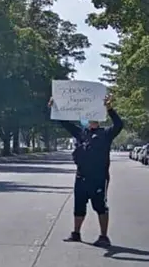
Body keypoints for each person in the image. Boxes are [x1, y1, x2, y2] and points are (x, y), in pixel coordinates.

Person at [48, 94, 123, 247]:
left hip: (99, 177)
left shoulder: (106, 134)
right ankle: (76, 233)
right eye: (89, 117)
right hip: (81, 176)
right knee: (79, 206)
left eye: (94, 116)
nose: (91, 119)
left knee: (100, 206)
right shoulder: (81, 133)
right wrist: (54, 107)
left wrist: (110, 109)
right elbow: (65, 123)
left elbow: (119, 125)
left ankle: (103, 236)